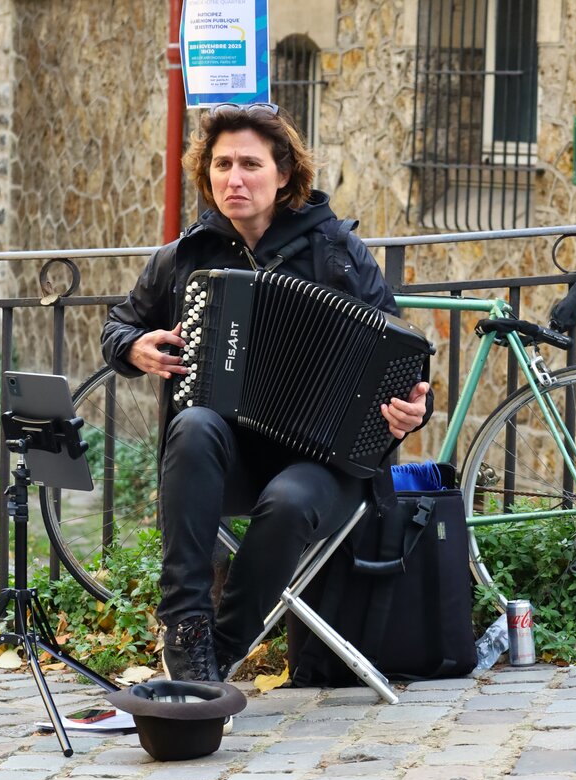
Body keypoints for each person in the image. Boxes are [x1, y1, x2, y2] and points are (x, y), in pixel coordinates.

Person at [101, 103, 431, 683]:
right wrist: (133, 348)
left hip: (325, 468)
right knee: (194, 424)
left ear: (283, 175)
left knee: (288, 500)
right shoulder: (186, 256)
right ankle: (185, 627)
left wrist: (411, 411)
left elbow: (400, 359)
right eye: (222, 164)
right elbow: (118, 327)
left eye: (250, 164)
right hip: (226, 463)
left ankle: (214, 658)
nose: (234, 178)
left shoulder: (336, 253)